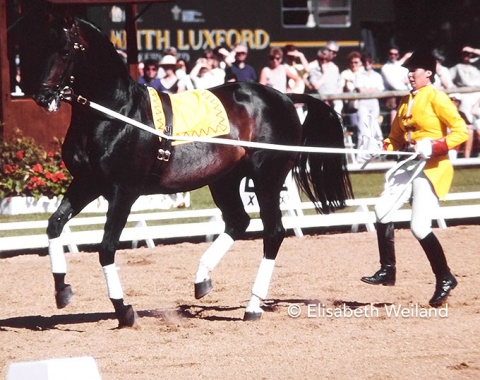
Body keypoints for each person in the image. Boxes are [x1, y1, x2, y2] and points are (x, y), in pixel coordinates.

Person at [361, 50, 469, 308]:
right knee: (381, 210)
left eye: (415, 70)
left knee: (419, 226)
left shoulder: (437, 98)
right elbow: (396, 139)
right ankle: (388, 270)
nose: (410, 74)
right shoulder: (405, 101)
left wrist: (434, 146)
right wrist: (381, 147)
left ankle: (444, 277)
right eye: (408, 70)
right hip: (409, 164)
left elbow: (461, 131)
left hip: (432, 167)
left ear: (428, 73)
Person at [353, 52, 384, 159]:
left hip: (374, 104)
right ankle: (360, 157)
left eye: (369, 62)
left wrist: (369, 90)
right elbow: (361, 90)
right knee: (363, 130)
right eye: (365, 62)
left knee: (374, 130)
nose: (367, 64)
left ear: (372, 63)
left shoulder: (377, 75)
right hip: (363, 104)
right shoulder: (358, 74)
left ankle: (372, 155)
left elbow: (380, 90)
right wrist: (372, 90)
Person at [450, 46, 480, 125]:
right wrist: (453, 86)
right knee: (467, 116)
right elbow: (447, 78)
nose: (467, 56)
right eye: (465, 54)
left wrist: (472, 50)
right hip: (465, 93)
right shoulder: (458, 67)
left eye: (470, 54)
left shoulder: (477, 65)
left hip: (478, 92)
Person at [380, 46, 411, 124]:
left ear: (398, 55)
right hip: (392, 95)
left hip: (404, 94)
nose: (393, 56)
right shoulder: (385, 67)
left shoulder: (401, 66)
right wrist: (404, 82)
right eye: (391, 54)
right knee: (394, 115)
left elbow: (408, 78)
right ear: (388, 54)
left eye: (395, 54)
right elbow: (394, 84)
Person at [308, 47, 343, 114]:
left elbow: (339, 85)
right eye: (321, 59)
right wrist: (324, 74)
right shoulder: (314, 70)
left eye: (326, 59)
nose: (324, 61)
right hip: (321, 101)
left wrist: (336, 98)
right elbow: (316, 86)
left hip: (335, 101)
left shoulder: (334, 68)